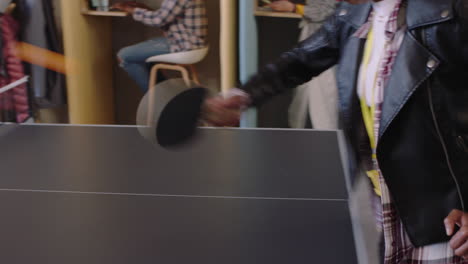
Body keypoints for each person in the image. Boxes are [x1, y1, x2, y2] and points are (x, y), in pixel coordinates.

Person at [203, 0, 468, 263]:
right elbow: (301, 59)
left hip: (446, 215)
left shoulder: (452, 12)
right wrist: (244, 95)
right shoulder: (356, 12)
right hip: (389, 202)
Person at [270, 0, 340, 129]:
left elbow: (327, 11)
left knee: (324, 100)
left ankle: (328, 140)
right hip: (311, 37)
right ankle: (297, 135)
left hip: (324, 44)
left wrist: (294, 8)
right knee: (301, 94)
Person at [112, 0, 208, 92]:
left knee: (124, 56)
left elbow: (159, 20)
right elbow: (167, 16)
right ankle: (164, 97)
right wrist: (144, 9)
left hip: (183, 45)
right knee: (142, 55)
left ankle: (158, 100)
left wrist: (132, 10)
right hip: (189, 42)